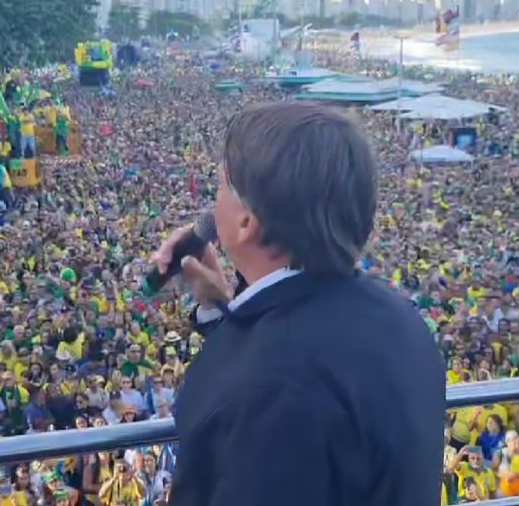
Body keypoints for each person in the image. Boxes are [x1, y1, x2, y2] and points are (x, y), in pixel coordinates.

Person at [152, 101, 446, 505]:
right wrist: (220, 310)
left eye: (219, 185)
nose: (210, 203)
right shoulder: (401, 321)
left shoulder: (267, 393)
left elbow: (272, 394)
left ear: (246, 222)